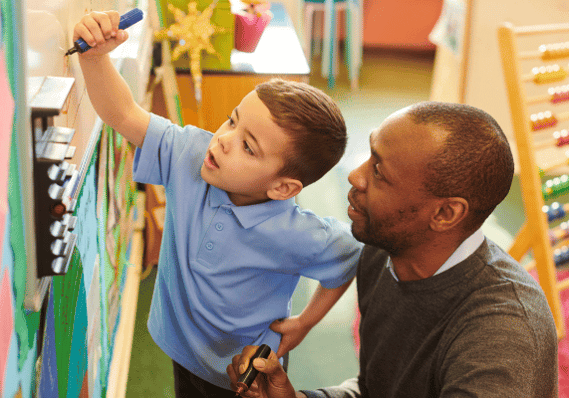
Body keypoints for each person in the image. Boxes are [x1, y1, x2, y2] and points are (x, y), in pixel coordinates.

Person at [73, 10, 363, 397]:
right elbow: (124, 114)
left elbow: (350, 257)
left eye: (248, 146)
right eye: (232, 120)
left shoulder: (299, 233)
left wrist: (305, 322)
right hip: (184, 351)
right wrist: (94, 58)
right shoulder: (192, 154)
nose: (223, 139)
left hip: (247, 374)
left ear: (282, 188)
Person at [227, 101, 559, 397]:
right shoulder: (381, 253)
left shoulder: (503, 338)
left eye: (379, 172)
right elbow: (373, 388)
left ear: (445, 214)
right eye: (369, 155)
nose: (355, 176)